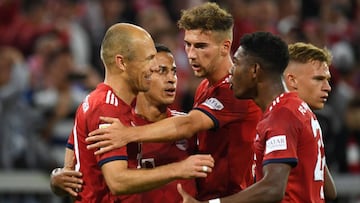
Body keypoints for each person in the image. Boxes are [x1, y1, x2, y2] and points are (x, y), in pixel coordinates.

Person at [86, 2, 262, 201]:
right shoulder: (205, 88)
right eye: (188, 44)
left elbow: (188, 125)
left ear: (225, 47)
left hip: (230, 198)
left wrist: (128, 134)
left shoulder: (237, 90)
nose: (191, 54)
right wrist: (61, 173)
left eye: (201, 46)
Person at [49, 23, 214, 202]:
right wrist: (179, 169)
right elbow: (117, 181)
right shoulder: (106, 108)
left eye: (172, 71)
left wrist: (59, 176)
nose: (152, 68)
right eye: (148, 59)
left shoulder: (105, 104)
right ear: (122, 62)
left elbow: (71, 166)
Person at [178, 33, 337, 202]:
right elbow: (329, 191)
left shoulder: (281, 116)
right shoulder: (298, 109)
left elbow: (273, 188)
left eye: (237, 63)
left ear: (254, 70)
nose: (231, 70)